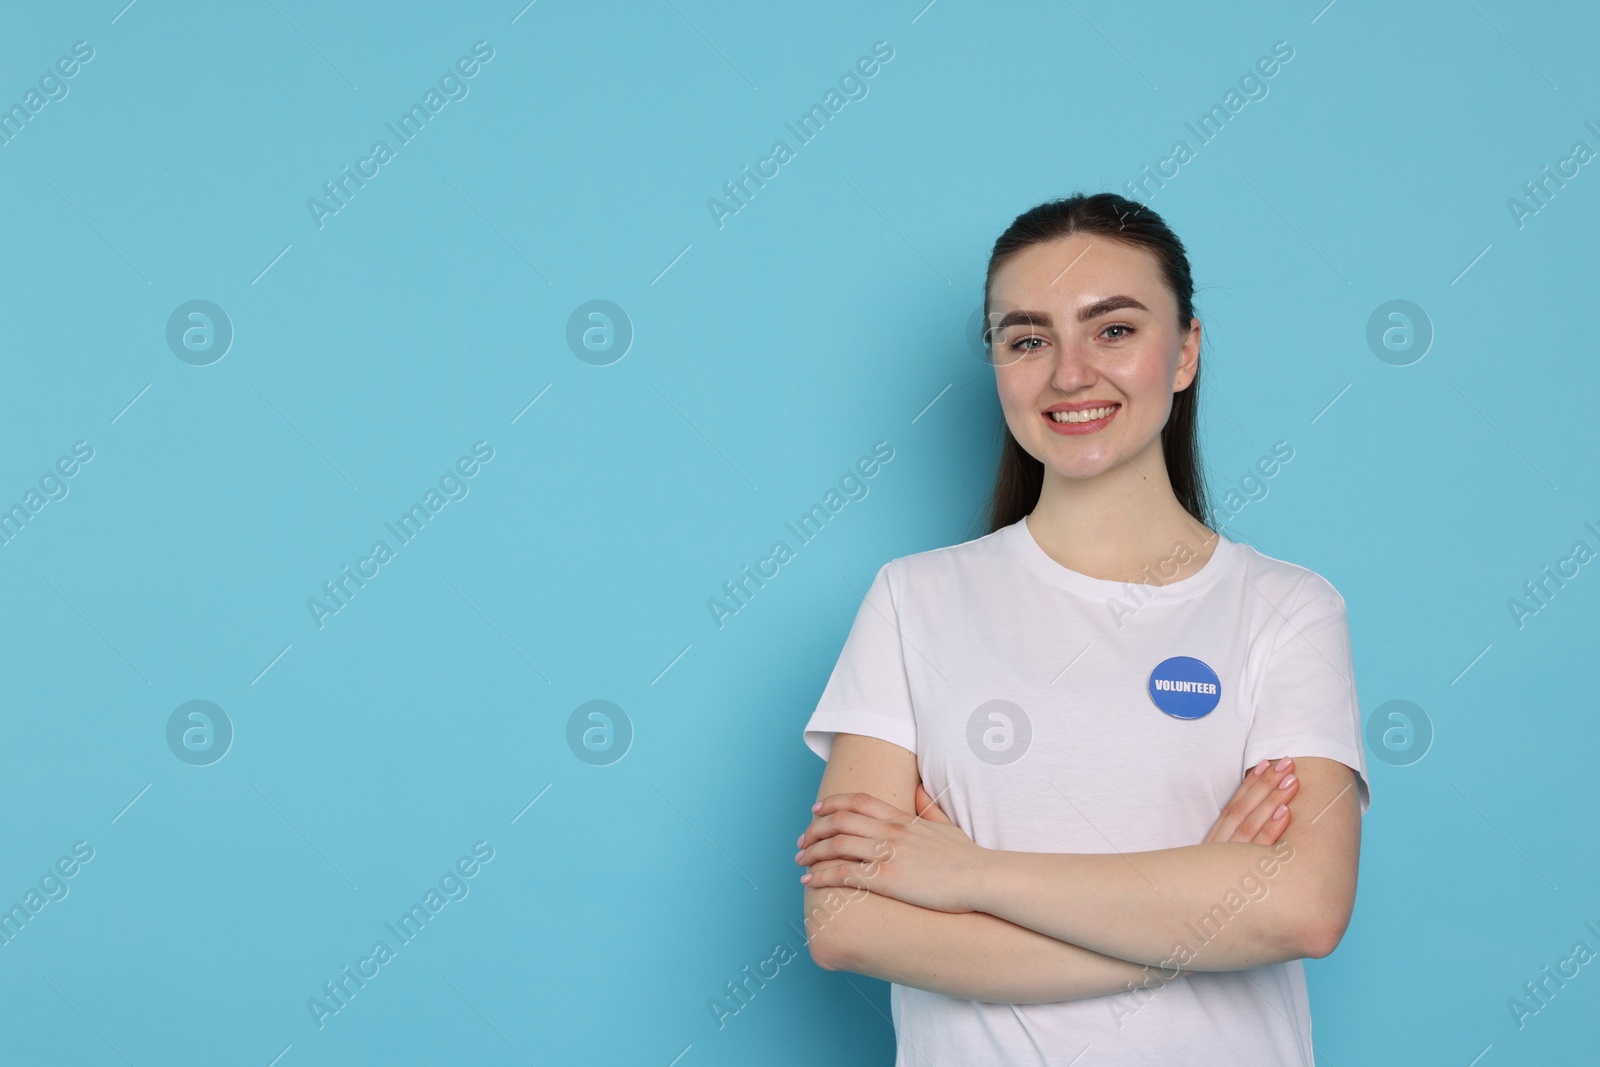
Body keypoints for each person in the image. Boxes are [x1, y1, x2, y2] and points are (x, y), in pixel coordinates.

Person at [794, 192, 1369, 1065]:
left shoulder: (1287, 608)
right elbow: (845, 923)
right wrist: (1193, 915)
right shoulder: (914, 600)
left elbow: (1303, 907)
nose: (1068, 374)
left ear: (1185, 352)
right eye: (1028, 339)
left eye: (1113, 330)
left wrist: (971, 875)